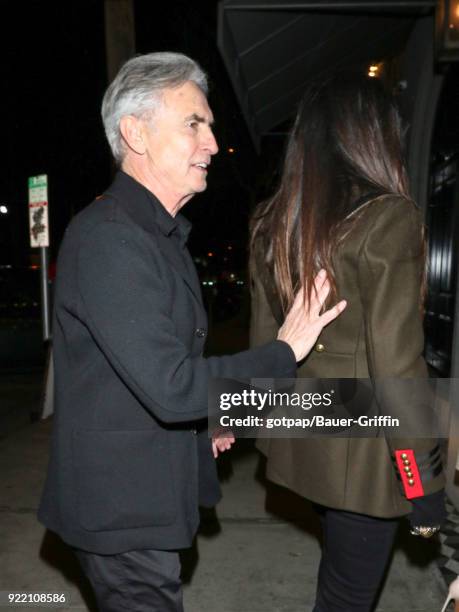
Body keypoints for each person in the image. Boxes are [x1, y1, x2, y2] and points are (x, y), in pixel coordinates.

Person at [37, 52, 345, 612]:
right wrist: (283, 352)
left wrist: (208, 423)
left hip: (144, 497)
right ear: (136, 133)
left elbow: (133, 380)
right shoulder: (111, 239)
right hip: (122, 514)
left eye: (210, 125)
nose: (210, 143)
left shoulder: (158, 236)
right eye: (193, 124)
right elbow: (172, 386)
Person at [250, 73, 446, 612]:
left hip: (302, 437)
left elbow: (265, 345)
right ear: (373, 138)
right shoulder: (388, 220)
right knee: (347, 600)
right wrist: (423, 484)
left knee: (337, 586)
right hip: (363, 454)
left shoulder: (273, 224)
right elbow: (397, 368)